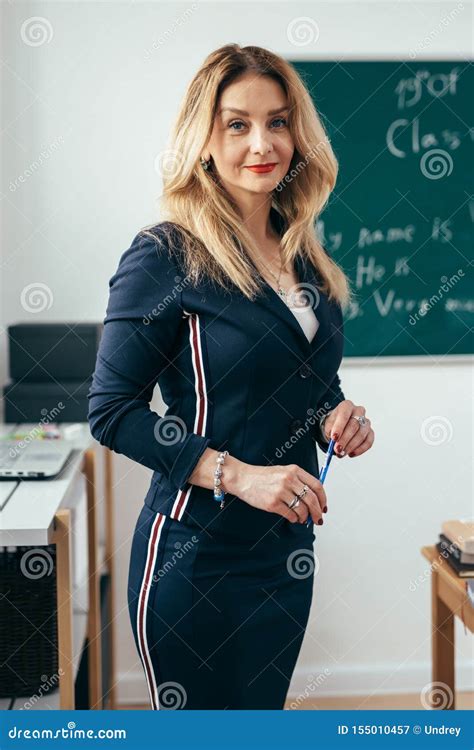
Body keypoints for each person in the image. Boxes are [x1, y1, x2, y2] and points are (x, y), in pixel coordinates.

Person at [87, 43, 375, 710]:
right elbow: (112, 409)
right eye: (237, 123)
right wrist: (240, 475)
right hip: (196, 559)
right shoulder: (165, 256)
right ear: (204, 138)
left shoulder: (303, 250)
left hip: (286, 552)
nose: (262, 143)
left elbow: (301, 379)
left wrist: (333, 413)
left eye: (278, 121)